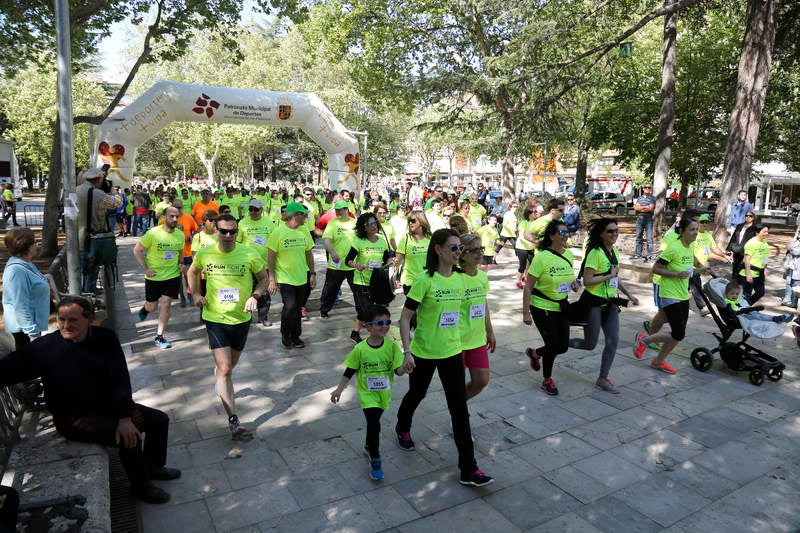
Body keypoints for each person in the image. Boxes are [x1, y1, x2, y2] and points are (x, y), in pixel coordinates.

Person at [0, 296, 182, 504]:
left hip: (108, 406)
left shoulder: (106, 338)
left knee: (159, 420)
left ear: (90, 319)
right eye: (61, 320)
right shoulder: (45, 347)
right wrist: (123, 423)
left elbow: (120, 379)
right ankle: (141, 487)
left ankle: (153, 467)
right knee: (129, 437)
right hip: (74, 417)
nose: (66, 325)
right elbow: (9, 368)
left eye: (73, 320)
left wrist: (124, 417)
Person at [395, 228, 494, 487]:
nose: (458, 252)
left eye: (460, 248)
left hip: (452, 351)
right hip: (424, 353)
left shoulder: (461, 279)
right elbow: (405, 317)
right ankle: (402, 426)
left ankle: (469, 469)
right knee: (417, 393)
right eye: (453, 247)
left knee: (459, 409)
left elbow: (478, 301)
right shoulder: (425, 279)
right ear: (438, 249)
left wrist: (486, 332)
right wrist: (407, 351)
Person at [187, 214, 268, 441]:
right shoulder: (205, 253)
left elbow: (264, 278)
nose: (228, 235)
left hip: (241, 319)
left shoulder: (249, 253)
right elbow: (192, 271)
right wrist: (196, 294)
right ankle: (234, 420)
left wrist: (255, 296)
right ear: (216, 231)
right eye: (224, 231)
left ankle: (221, 376)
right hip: (215, 318)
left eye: (232, 231)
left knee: (230, 365)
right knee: (225, 369)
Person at [330, 305, 410, 481]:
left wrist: (405, 368)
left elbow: (397, 371)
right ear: (368, 327)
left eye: (387, 322)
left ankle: (368, 444)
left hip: (384, 394)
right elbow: (349, 371)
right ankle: (375, 457)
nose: (385, 326)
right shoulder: (360, 349)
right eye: (380, 323)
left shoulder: (392, 347)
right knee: (374, 424)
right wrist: (339, 389)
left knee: (374, 422)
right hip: (367, 394)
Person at [568, 219, 639, 393]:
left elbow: (615, 277)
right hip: (593, 303)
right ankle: (558, 342)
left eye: (616, 231)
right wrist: (609, 275)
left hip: (610, 303)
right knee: (590, 344)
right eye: (610, 231)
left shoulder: (613, 252)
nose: (614, 234)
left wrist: (629, 294)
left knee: (613, 340)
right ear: (601, 234)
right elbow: (587, 281)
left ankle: (603, 378)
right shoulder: (595, 253)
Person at [634, 216, 707, 374]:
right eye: (692, 230)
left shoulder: (689, 247)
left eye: (696, 229)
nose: (696, 232)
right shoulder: (673, 248)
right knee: (678, 333)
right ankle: (644, 340)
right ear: (682, 231)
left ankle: (658, 361)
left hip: (682, 294)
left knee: (679, 334)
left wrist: (702, 269)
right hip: (669, 294)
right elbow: (656, 268)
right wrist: (675, 274)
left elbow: (688, 269)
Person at [522, 220, 579, 395]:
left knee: (563, 346)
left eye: (567, 232)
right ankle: (547, 380)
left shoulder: (568, 254)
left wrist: (573, 282)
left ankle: (536, 353)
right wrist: (526, 312)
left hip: (561, 305)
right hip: (541, 306)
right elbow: (528, 286)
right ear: (552, 236)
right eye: (561, 233)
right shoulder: (541, 257)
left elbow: (568, 273)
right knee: (553, 344)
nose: (565, 236)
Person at [133, 206, 185, 349]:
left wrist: (181, 263)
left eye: (177, 216)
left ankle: (159, 336)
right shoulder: (153, 233)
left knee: (166, 304)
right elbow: (137, 250)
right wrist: (146, 269)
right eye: (171, 216)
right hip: (154, 277)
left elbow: (180, 250)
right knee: (152, 306)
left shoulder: (180, 234)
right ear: (164, 217)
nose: (175, 219)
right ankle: (145, 309)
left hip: (172, 275)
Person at [267, 202, 316, 349]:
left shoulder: (304, 231)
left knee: (297, 308)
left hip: (301, 276)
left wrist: (312, 273)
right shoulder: (278, 232)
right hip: (285, 278)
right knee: (290, 307)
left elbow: (309, 253)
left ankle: (296, 336)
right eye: (304, 215)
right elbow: (271, 256)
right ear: (295, 215)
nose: (306, 217)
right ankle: (285, 334)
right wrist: (271, 279)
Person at [458, 234, 496, 399]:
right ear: (462, 254)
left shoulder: (482, 276)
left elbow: (483, 304)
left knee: (482, 380)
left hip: (478, 339)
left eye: (481, 249)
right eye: (474, 250)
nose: (480, 253)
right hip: (456, 341)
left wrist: (490, 332)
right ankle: (458, 411)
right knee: (455, 385)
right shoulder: (454, 278)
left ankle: (459, 405)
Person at [345, 212, 391, 344]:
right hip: (361, 282)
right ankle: (372, 336)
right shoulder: (359, 241)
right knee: (367, 309)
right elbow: (348, 261)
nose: (373, 226)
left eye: (374, 222)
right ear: (364, 227)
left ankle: (355, 333)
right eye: (370, 224)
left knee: (373, 309)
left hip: (378, 281)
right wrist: (356, 265)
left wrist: (390, 262)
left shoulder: (382, 241)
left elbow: (386, 258)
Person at [76, 168, 122, 294]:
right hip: (93, 237)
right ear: (99, 179)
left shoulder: (75, 191)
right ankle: (89, 291)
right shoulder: (97, 194)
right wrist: (113, 190)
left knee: (82, 267)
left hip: (76, 236)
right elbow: (117, 203)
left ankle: (85, 291)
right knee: (92, 265)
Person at [2, 228, 49, 350]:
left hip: (31, 327)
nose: (36, 244)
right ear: (27, 247)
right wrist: (33, 333)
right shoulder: (17, 271)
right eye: (34, 242)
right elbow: (20, 305)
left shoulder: (26, 264)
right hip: (25, 330)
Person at [236, 198, 275, 326]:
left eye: (255, 210)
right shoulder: (242, 223)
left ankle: (263, 317)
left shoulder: (268, 222)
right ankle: (245, 316)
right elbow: (238, 242)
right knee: (246, 290)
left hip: (264, 263)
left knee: (264, 292)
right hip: (247, 263)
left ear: (261, 210)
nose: (253, 212)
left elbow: (273, 243)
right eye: (251, 209)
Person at [319, 200, 357, 319]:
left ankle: (363, 313)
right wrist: (332, 252)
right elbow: (327, 241)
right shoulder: (332, 223)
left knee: (359, 291)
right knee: (330, 289)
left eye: (340, 210)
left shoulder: (355, 223)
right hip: (336, 264)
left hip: (353, 264)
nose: (338, 212)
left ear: (346, 210)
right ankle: (324, 310)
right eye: (336, 210)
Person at [692, 214, 733, 316]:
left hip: (701, 267)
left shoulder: (707, 235)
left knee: (693, 287)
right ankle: (702, 307)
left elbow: (713, 250)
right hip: (691, 266)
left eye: (706, 222)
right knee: (695, 287)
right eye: (702, 222)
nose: (704, 224)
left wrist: (724, 256)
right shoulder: (693, 235)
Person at [395, 211, 432, 295]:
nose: (410, 223)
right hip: (410, 281)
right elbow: (398, 261)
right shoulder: (406, 238)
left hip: (427, 280)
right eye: (409, 221)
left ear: (422, 221)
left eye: (413, 221)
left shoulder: (431, 238)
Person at [724, 281, 792, 323]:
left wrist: (749, 308)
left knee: (761, 315)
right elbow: (733, 311)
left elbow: (745, 304)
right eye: (732, 294)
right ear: (727, 294)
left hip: (748, 312)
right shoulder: (727, 302)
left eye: (736, 294)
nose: (734, 296)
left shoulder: (739, 299)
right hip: (742, 316)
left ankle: (777, 318)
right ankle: (774, 319)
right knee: (758, 317)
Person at [738, 224, 771, 304]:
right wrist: (748, 274)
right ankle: (744, 308)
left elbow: (764, 256)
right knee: (747, 294)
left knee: (760, 292)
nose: (766, 233)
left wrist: (765, 268)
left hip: (760, 273)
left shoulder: (764, 242)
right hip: (749, 273)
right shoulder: (751, 243)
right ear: (757, 232)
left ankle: (746, 306)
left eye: (767, 231)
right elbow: (747, 260)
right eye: (764, 232)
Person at [727, 210, 757, 278]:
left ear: (753, 218)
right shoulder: (739, 226)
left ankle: (742, 281)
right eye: (746, 215)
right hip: (737, 250)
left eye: (750, 216)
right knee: (735, 267)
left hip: (747, 251)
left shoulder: (755, 228)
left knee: (743, 267)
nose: (748, 217)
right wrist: (728, 249)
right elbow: (733, 237)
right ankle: (734, 281)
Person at [513, 205, 537, 289]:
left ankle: (525, 278)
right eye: (534, 212)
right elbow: (521, 236)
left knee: (531, 264)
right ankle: (518, 282)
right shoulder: (523, 223)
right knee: (522, 266)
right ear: (529, 213)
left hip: (531, 248)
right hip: (521, 248)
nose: (536, 213)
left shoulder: (535, 223)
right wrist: (529, 243)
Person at [633, 183, 655, 259]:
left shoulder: (652, 198)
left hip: (649, 219)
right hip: (640, 219)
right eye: (646, 187)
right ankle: (638, 254)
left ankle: (650, 255)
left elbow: (651, 208)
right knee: (638, 238)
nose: (647, 188)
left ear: (651, 189)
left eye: (649, 187)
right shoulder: (639, 198)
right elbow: (636, 208)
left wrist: (641, 208)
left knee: (649, 239)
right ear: (643, 189)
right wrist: (646, 207)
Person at [781, 226, 800, 307]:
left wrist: (792, 249)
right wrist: (791, 248)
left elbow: (796, 252)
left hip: (798, 267)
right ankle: (787, 299)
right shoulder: (796, 239)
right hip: (790, 265)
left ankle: (794, 302)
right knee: (788, 282)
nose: (799, 233)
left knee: (796, 284)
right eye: (799, 231)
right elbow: (788, 246)